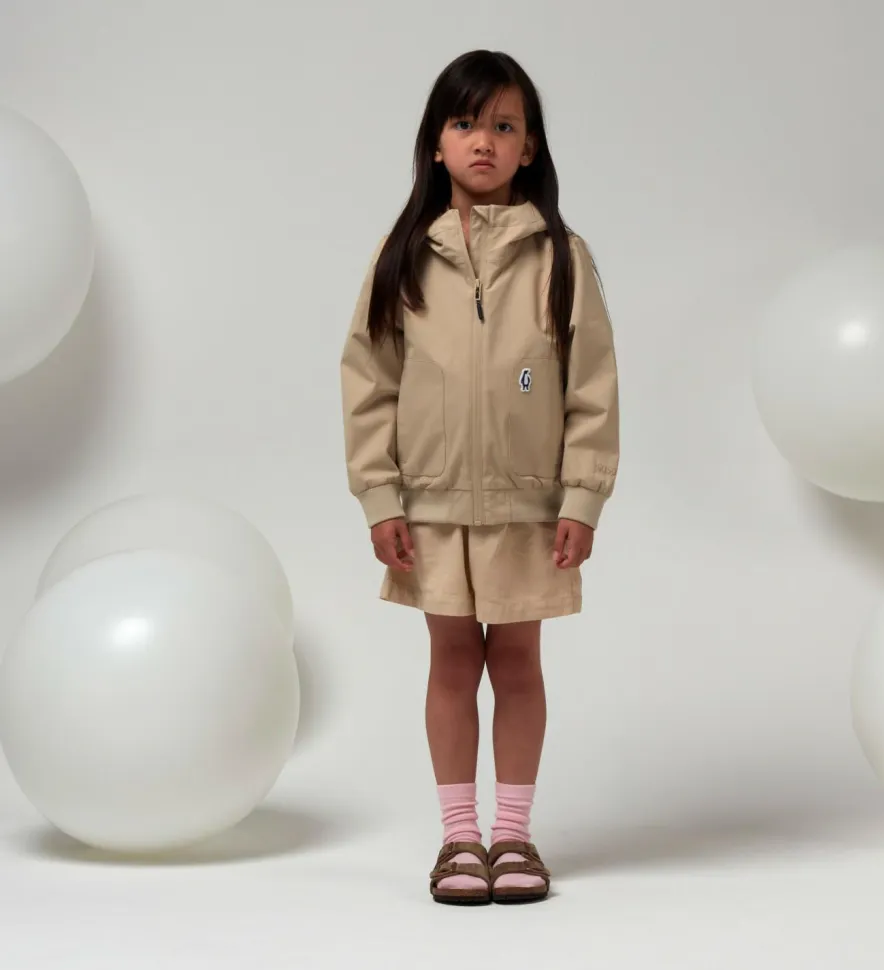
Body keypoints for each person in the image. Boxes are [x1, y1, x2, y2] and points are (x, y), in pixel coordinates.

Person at [340, 49, 619, 904]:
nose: (484, 141)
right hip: (429, 505)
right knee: (453, 659)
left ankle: (514, 836)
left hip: (530, 506)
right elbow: (369, 382)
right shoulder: (403, 257)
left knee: (521, 661)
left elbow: (592, 387)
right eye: (465, 123)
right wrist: (380, 496)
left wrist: (582, 497)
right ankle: (460, 838)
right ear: (436, 142)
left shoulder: (561, 257)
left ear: (530, 146)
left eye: (504, 125)